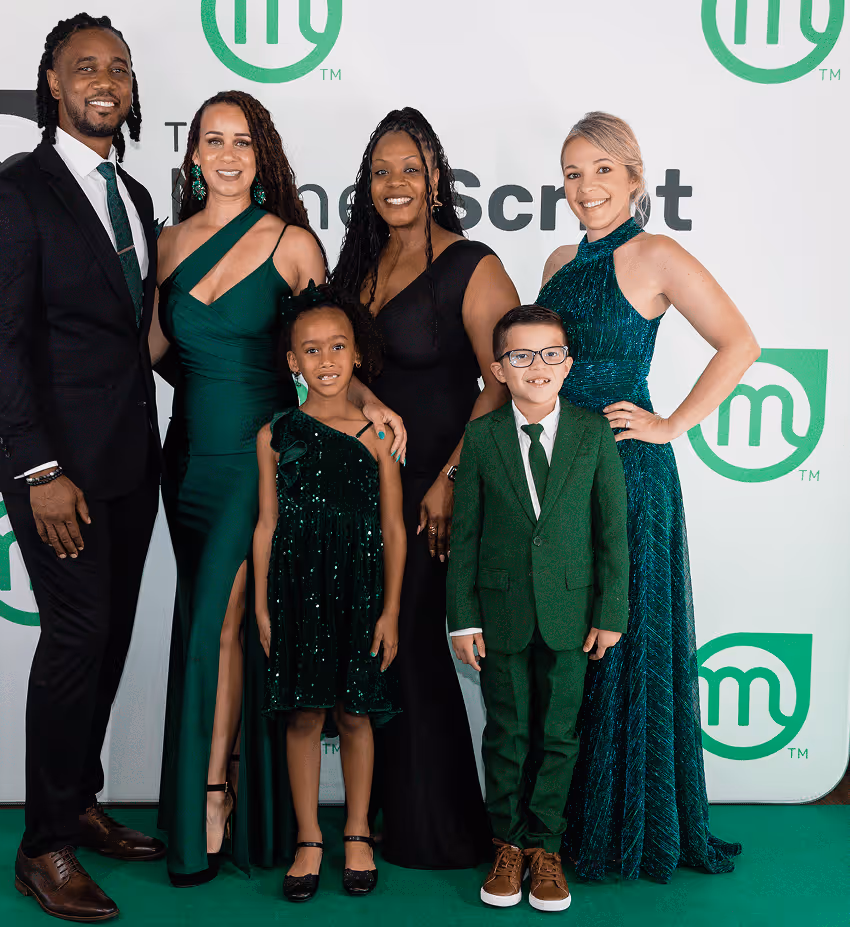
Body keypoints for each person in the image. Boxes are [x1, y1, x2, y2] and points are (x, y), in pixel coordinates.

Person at [148, 90, 405, 886]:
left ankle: (215, 794)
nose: (227, 155)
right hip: (184, 456)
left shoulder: (293, 243)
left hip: (253, 464)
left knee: (214, 633)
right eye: (212, 140)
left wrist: (371, 403)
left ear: (263, 158)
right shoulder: (167, 243)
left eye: (242, 142)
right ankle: (236, 802)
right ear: (193, 155)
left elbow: (330, 348)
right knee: (204, 623)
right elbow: (153, 349)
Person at [0, 14, 163, 922]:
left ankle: (79, 800)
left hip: (131, 458)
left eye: (118, 69)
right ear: (52, 82)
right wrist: (40, 465)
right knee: (77, 635)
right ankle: (42, 845)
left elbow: (137, 338)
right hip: (57, 470)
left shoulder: (134, 193)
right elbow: (1, 340)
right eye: (85, 66)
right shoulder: (16, 192)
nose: (105, 80)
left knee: (112, 636)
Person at [537, 111, 758, 881]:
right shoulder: (558, 260)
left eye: (601, 169)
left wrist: (672, 425)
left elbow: (741, 342)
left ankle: (624, 823)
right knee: (568, 644)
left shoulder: (657, 254)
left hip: (631, 475)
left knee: (624, 640)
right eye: (572, 172)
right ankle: (555, 822)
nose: (585, 186)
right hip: (563, 474)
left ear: (635, 177)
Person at [331, 107, 520, 869]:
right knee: (377, 644)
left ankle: (441, 828)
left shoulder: (473, 263)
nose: (396, 183)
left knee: (409, 639)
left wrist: (448, 478)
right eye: (381, 171)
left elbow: (502, 382)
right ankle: (387, 810)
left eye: (410, 167)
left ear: (436, 174)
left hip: (437, 487)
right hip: (363, 485)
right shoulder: (359, 269)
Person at [448, 305, 629, 913]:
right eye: (520, 356)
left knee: (558, 734)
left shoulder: (592, 433)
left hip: (573, 616)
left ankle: (546, 850)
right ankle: (507, 847)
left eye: (550, 353)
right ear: (500, 368)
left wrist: (611, 611)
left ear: (568, 362)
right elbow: (465, 534)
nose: (537, 366)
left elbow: (613, 532)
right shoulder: (480, 438)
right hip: (498, 612)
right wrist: (462, 617)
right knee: (507, 732)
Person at [253, 285, 406, 902]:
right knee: (305, 714)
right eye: (311, 350)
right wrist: (263, 605)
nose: (326, 360)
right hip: (296, 587)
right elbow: (266, 524)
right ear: (292, 361)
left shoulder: (378, 434)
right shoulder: (274, 434)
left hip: (363, 588)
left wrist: (392, 609)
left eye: (338, 346)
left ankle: (359, 832)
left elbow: (394, 528)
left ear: (357, 355)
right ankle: (309, 839)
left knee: (356, 712)